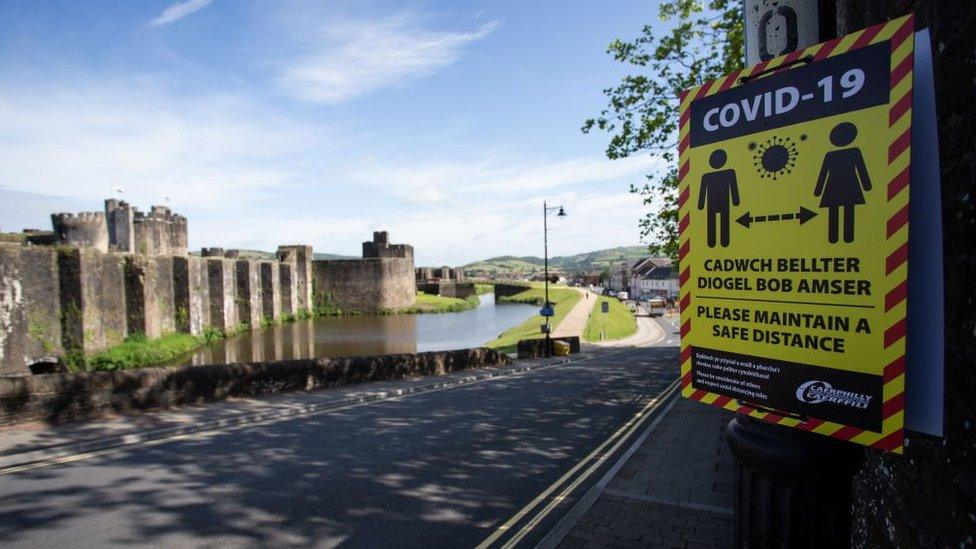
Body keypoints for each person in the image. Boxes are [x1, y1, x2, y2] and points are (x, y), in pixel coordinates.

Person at [814, 122, 872, 243]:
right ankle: (838, 237)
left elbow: (861, 169)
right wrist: (866, 186)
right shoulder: (832, 155)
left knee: (844, 210)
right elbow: (823, 173)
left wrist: (818, 191)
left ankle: (844, 237)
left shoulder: (852, 152)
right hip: (844, 186)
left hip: (838, 186)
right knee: (838, 211)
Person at [698, 149, 740, 247]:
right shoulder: (707, 176)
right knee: (713, 222)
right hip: (718, 203)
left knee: (721, 222)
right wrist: (735, 201)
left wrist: (735, 201)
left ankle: (722, 242)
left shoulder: (729, 173)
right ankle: (714, 242)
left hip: (716, 203)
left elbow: (734, 188)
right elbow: (702, 190)